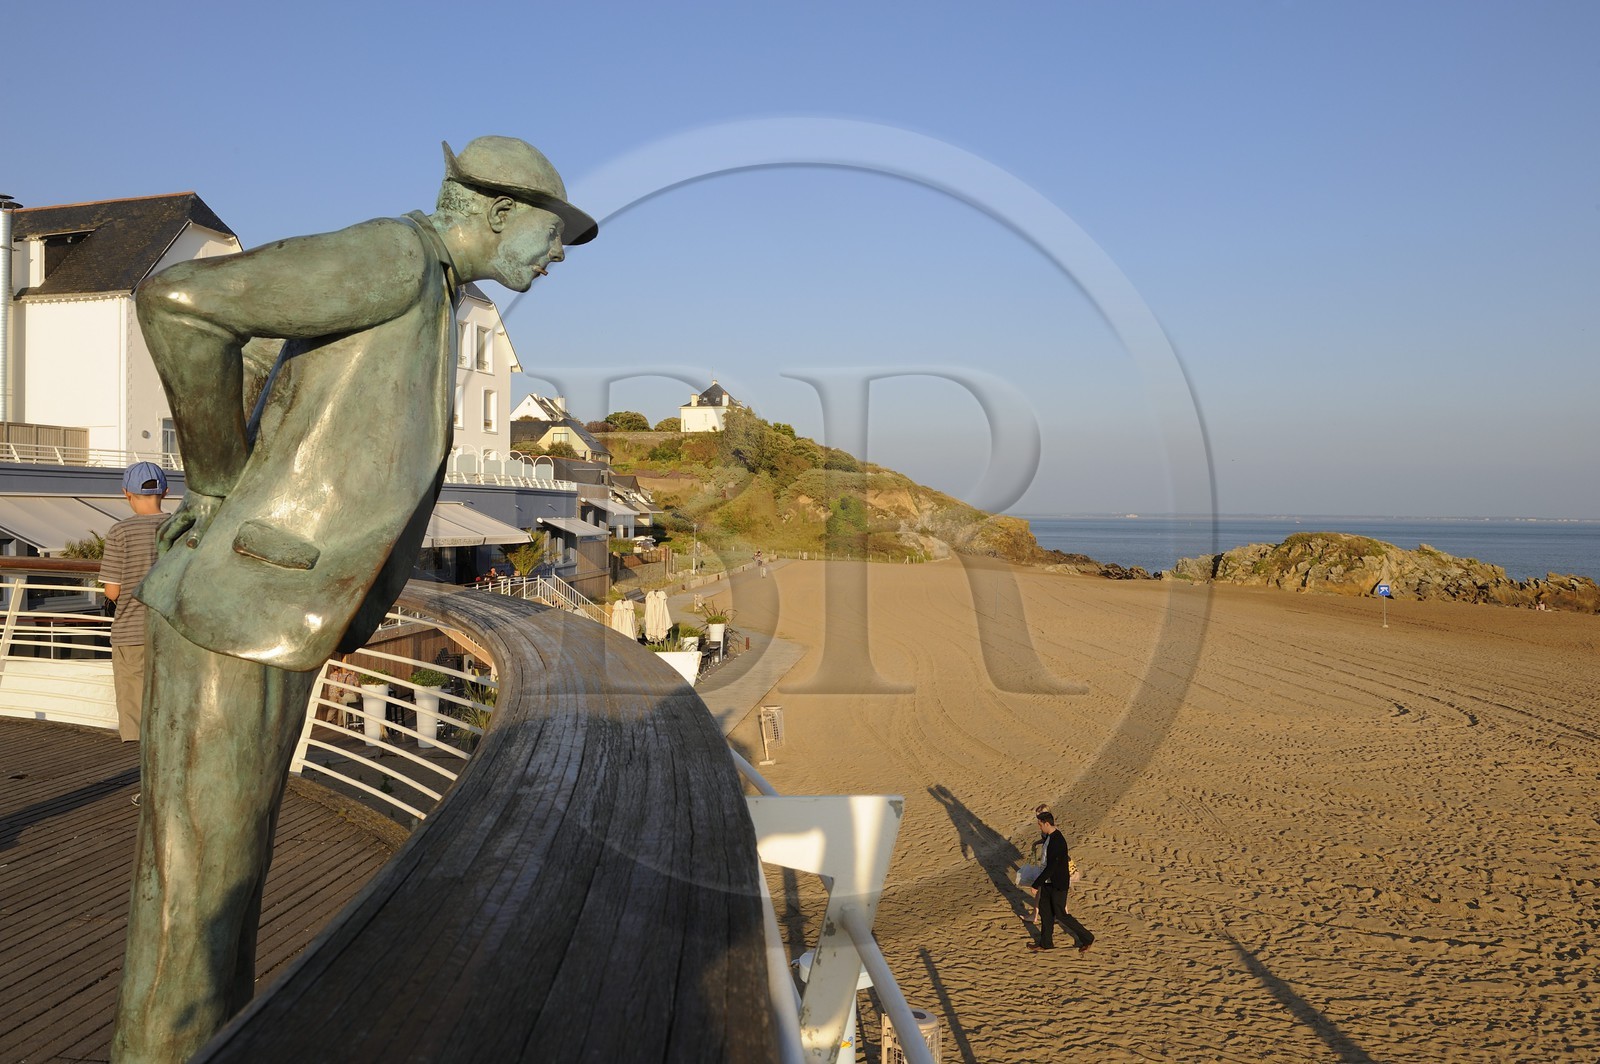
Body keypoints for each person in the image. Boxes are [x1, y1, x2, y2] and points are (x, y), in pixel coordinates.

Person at [112, 136, 595, 1062]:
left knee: (217, 892)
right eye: (554, 226)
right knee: (197, 909)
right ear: (494, 209)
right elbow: (178, 301)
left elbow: (251, 346)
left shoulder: (428, 290)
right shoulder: (393, 257)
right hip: (234, 612)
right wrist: (219, 482)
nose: (559, 249)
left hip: (263, 615)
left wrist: (254, 462)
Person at [100, 461, 170, 746]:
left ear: (126, 493)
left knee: (136, 715)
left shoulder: (120, 532)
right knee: (169, 704)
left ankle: (146, 779)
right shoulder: (179, 527)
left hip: (131, 632)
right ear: (164, 491)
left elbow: (113, 591)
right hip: (172, 633)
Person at [1028, 810, 1094, 953]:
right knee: (1045, 912)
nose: (1039, 827)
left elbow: (1052, 866)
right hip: (1048, 882)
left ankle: (1087, 938)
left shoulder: (1057, 840)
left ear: (1046, 823)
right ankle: (1045, 943)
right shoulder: (1049, 837)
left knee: (1061, 914)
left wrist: (1036, 884)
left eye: (1040, 825)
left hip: (1057, 884)